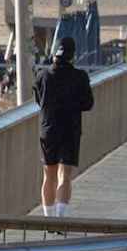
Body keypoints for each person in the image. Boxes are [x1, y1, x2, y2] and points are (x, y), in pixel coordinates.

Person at [33, 36, 94, 217]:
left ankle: (48, 217)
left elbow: (39, 100)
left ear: (54, 54)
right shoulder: (80, 77)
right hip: (70, 130)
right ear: (72, 55)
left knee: (48, 175)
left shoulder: (42, 76)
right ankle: (60, 217)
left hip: (48, 129)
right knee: (64, 175)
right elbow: (88, 104)